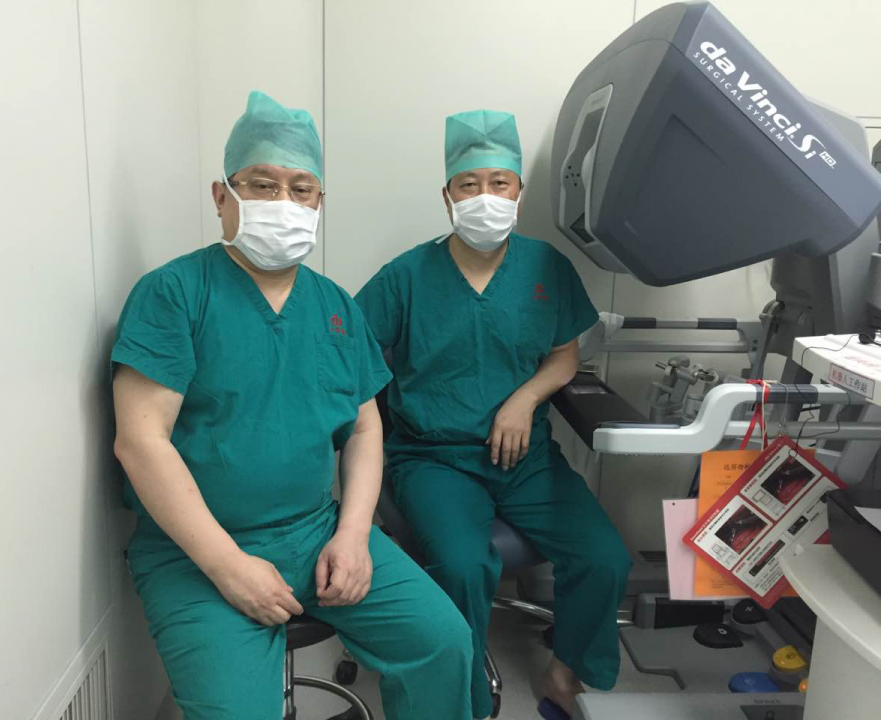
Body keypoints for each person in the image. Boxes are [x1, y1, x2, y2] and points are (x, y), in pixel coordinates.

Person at [111, 90, 473, 720]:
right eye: (262, 184)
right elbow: (141, 441)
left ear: (319, 202)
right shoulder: (174, 294)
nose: (284, 202)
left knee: (443, 643)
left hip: (316, 531)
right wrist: (228, 566)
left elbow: (365, 428)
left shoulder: (335, 307)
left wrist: (354, 534)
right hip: (196, 549)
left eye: (301, 189)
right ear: (222, 196)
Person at [355, 108, 632, 720]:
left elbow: (564, 354)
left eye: (498, 183)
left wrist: (524, 398)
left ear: (518, 191)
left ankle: (564, 672)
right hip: (433, 458)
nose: (485, 197)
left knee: (604, 557)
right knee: (462, 565)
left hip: (527, 458)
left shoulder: (546, 268)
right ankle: (464, 698)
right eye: (469, 184)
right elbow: (352, 357)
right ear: (448, 196)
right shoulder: (406, 276)